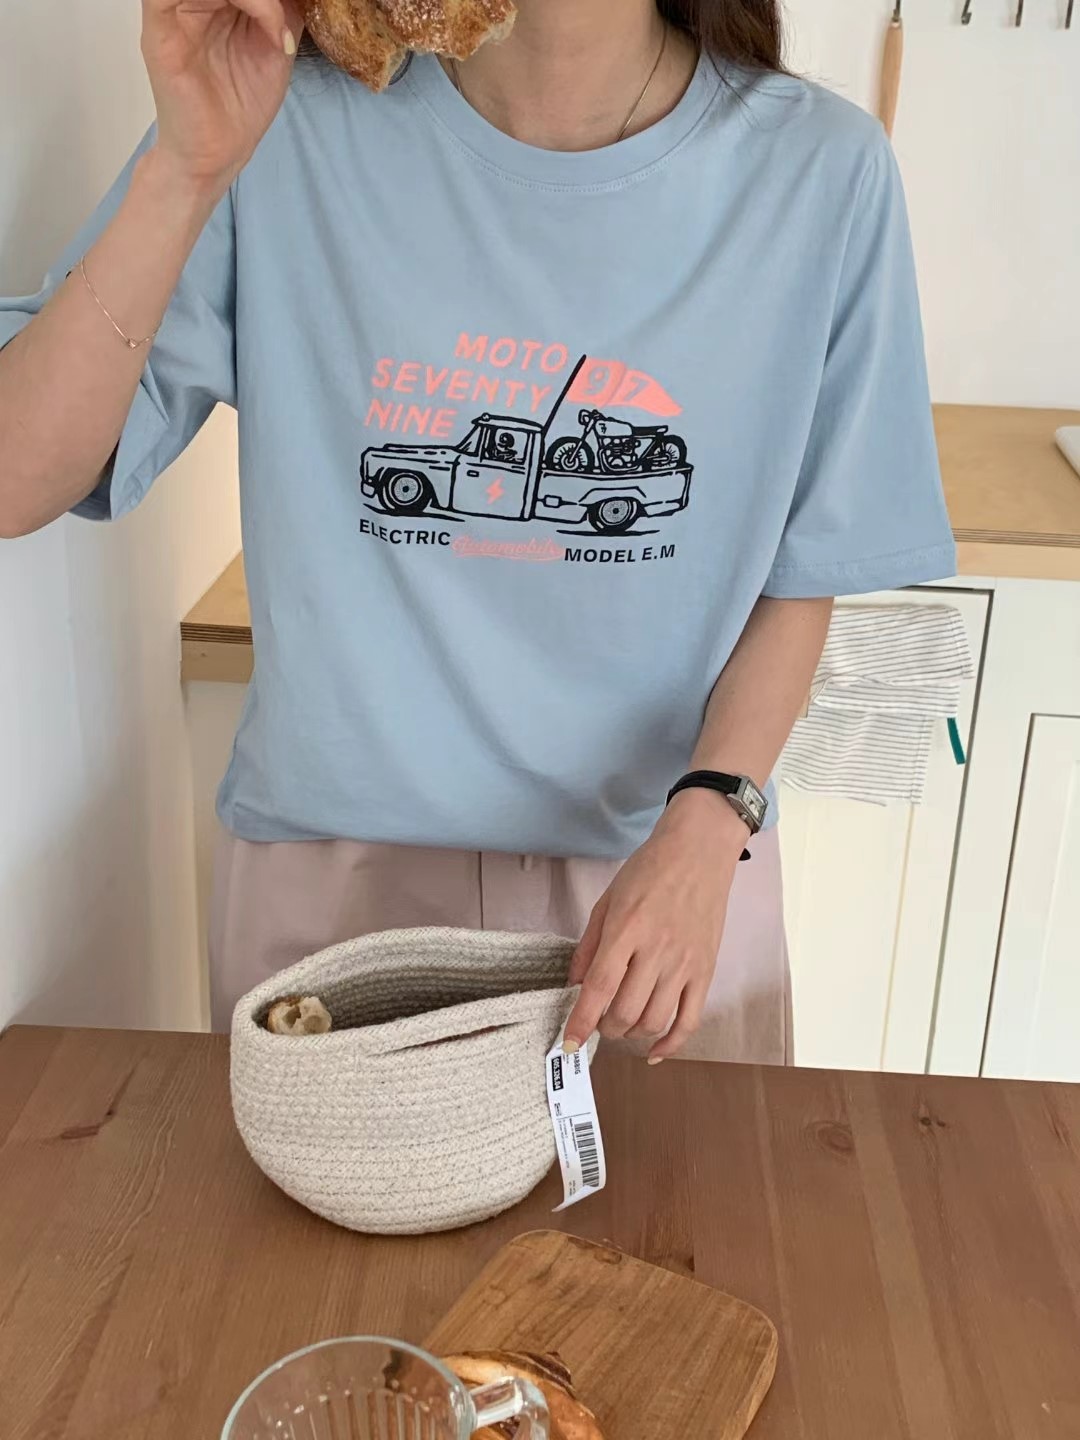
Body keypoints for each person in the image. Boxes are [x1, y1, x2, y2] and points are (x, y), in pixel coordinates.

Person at [0, 0, 956, 1061]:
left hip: (663, 889)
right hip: (333, 899)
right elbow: (16, 476)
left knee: (688, 1182)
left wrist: (709, 822)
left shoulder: (822, 171)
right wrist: (184, 168)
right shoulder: (277, 121)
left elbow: (804, 570)